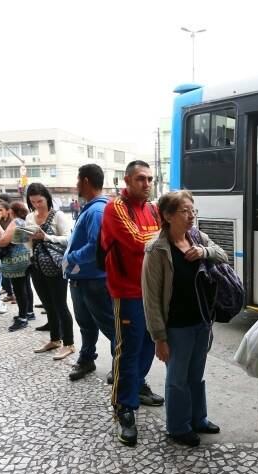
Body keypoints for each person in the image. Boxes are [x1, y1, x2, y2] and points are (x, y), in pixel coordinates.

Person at [142, 190, 228, 447]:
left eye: (193, 210)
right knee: (177, 379)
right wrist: (159, 338)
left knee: (196, 375)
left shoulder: (197, 237)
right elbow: (151, 300)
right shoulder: (157, 249)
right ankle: (178, 427)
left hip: (201, 322)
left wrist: (203, 251)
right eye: (184, 211)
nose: (191, 216)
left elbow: (222, 254)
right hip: (176, 327)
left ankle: (198, 419)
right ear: (167, 216)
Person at [101, 160, 164, 447]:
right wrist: (165, 235)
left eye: (150, 179)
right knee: (128, 349)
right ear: (127, 180)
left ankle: (136, 386)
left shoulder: (152, 208)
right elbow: (139, 240)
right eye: (140, 178)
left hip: (151, 291)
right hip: (126, 291)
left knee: (150, 343)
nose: (147, 183)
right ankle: (123, 407)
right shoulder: (116, 208)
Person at [63, 164, 117, 381]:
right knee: (86, 324)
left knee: (111, 327)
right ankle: (87, 358)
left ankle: (121, 366)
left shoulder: (96, 210)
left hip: (93, 280)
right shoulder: (92, 207)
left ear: (85, 181)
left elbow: (97, 247)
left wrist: (71, 258)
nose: (76, 185)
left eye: (77, 180)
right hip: (80, 279)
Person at [26, 182, 75, 359]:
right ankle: (55, 339)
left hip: (55, 264)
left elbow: (69, 239)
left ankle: (69, 343)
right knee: (48, 305)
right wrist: (25, 238)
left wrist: (46, 236)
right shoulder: (30, 217)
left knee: (60, 304)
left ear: (47, 198)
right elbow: (27, 243)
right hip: (36, 265)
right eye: (33, 202)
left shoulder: (58, 215)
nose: (37, 205)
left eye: (40, 201)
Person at [0, 201, 36, 331]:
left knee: (19, 290)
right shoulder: (26, 221)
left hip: (16, 260)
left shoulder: (15, 222)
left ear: (11, 212)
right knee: (26, 286)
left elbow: (3, 242)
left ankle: (22, 318)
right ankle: (29, 313)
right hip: (27, 258)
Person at [0, 200, 15, 304]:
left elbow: (5, 235)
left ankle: (15, 295)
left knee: (13, 274)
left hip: (12, 250)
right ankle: (10, 294)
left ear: (8, 211)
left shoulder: (12, 221)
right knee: (5, 274)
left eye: (1, 210)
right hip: (2, 251)